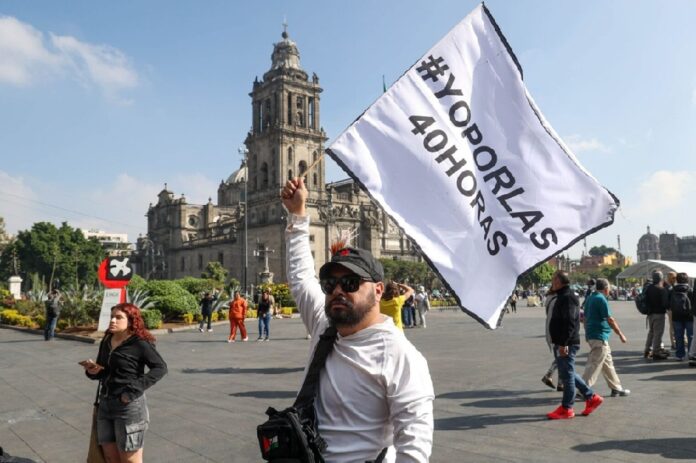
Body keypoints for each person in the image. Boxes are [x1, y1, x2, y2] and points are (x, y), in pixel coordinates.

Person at [281, 177, 434, 462]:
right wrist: (298, 214)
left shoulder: (400, 356)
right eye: (330, 284)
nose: (338, 290)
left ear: (378, 290)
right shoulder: (324, 326)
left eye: (351, 283)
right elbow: (301, 277)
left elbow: (414, 447)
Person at [82, 303, 167, 463]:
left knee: (130, 460)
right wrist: (93, 371)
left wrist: (132, 390)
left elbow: (160, 368)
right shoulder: (107, 340)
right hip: (105, 403)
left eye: (118, 317)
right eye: (111, 317)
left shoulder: (139, 343)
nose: (113, 320)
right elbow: (104, 369)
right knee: (110, 458)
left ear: (131, 320)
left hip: (128, 407)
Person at [546, 270, 603, 419]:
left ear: (559, 282)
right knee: (568, 373)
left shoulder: (568, 297)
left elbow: (570, 322)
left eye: (554, 279)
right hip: (562, 341)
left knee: (567, 376)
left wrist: (563, 343)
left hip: (566, 342)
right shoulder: (563, 296)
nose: (552, 282)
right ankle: (591, 397)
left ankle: (567, 408)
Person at [581, 278, 630, 397]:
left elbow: (584, 318)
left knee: (607, 362)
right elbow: (610, 319)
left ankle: (616, 387)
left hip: (593, 334)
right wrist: (620, 334)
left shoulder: (590, 298)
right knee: (594, 364)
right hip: (599, 336)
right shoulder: (601, 299)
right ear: (606, 289)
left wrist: (587, 333)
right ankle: (582, 390)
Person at [644, 271, 669, 360]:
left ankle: (647, 350)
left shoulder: (648, 288)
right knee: (658, 333)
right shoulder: (661, 289)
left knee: (651, 332)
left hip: (650, 313)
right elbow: (665, 303)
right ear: (661, 278)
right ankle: (656, 352)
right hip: (659, 313)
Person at [669, 272, 693, 361]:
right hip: (689, 316)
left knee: (678, 336)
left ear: (677, 280)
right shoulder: (690, 290)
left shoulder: (672, 290)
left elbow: (668, 303)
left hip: (676, 316)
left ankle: (679, 355)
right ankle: (691, 354)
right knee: (691, 336)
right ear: (687, 280)